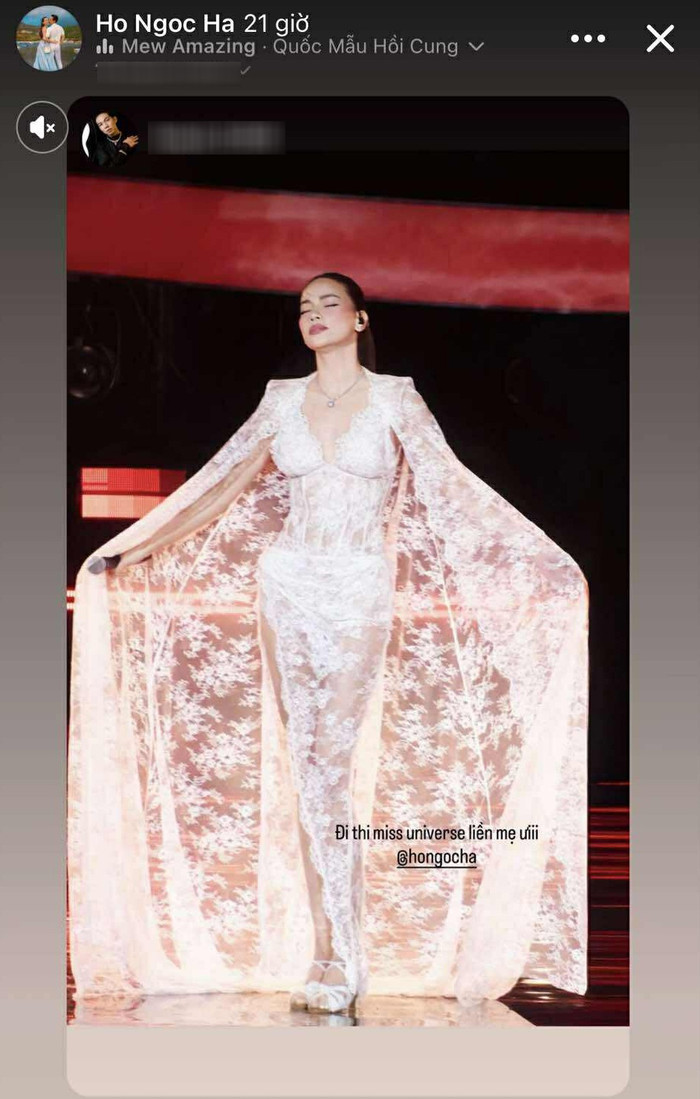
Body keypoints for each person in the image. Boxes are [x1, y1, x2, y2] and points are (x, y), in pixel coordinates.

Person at [69, 273, 589, 1017]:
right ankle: (327, 951)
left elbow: (450, 486)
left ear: (359, 319)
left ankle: (344, 950)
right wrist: (136, 547)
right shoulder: (281, 400)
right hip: (288, 583)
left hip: (357, 587)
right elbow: (221, 485)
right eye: (303, 308)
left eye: (328, 304)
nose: (313, 316)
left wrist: (541, 559)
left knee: (331, 770)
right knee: (306, 768)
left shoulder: (396, 398)